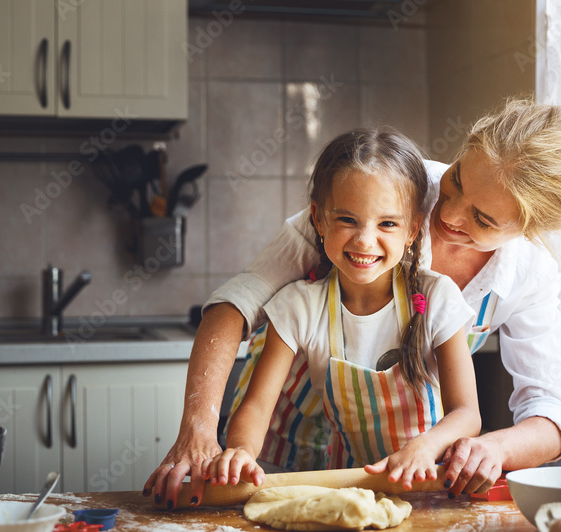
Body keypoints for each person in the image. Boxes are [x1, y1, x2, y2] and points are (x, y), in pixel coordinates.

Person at [144, 97, 561, 509]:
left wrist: (496, 449)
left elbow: (546, 411)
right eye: (457, 181)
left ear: (527, 230)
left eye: (482, 219)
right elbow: (235, 305)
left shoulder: (529, 276)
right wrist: (200, 429)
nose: (447, 214)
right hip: (286, 445)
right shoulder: (383, 185)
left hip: (397, 465)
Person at [203, 127, 481, 491]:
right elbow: (257, 407)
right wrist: (240, 450)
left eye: (387, 224)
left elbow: (467, 413)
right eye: (348, 220)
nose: (365, 240)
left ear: (412, 230)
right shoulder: (299, 306)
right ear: (318, 219)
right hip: (349, 486)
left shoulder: (437, 298)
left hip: (426, 483)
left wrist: (424, 448)